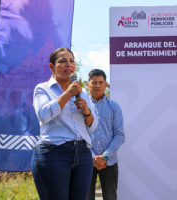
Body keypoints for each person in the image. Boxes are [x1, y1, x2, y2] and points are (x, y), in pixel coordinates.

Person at [31, 47, 98, 200]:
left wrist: (86, 111)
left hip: (82, 155)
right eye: (62, 61)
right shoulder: (43, 89)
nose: (69, 65)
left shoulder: (84, 93)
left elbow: (93, 126)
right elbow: (43, 115)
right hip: (54, 154)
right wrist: (68, 93)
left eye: (72, 61)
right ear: (51, 67)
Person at [86, 69, 125, 200]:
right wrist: (92, 157)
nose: (97, 85)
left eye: (101, 82)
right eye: (94, 82)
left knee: (110, 197)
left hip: (109, 161)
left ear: (105, 84)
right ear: (88, 84)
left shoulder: (114, 107)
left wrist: (104, 156)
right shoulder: (81, 106)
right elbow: (78, 135)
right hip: (86, 161)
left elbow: (120, 135)